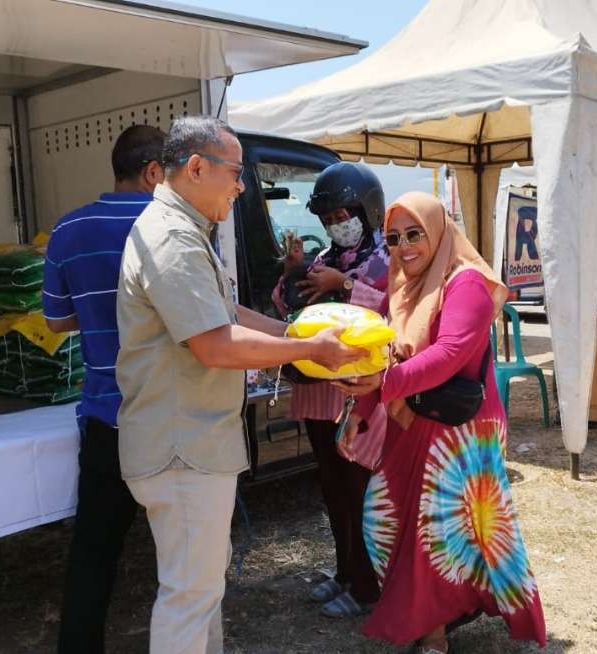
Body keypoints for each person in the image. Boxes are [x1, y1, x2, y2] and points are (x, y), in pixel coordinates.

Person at [115, 116, 365, 654]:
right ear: (197, 168)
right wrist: (309, 350)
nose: (242, 186)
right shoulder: (172, 237)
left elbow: (225, 313)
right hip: (182, 445)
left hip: (191, 442)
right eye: (235, 173)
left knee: (201, 590)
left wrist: (297, 331)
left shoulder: (181, 230)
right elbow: (215, 344)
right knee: (189, 595)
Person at [336, 192, 546, 653]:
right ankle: (448, 609)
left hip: (459, 427)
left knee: (437, 533)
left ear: (439, 231)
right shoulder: (403, 284)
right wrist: (362, 414)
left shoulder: (465, 281)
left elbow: (449, 355)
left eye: (415, 234)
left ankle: (434, 634)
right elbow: (387, 355)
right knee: (386, 519)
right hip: (412, 419)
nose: (404, 246)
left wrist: (382, 384)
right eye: (393, 238)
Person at [43, 125, 165, 654]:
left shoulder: (67, 230)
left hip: (104, 416)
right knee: (182, 556)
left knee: (94, 551)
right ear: (153, 172)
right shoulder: (170, 226)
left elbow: (55, 321)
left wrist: (100, 315)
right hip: (166, 415)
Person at [270, 162, 388, 618]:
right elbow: (286, 304)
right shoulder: (324, 261)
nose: (338, 226)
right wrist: (293, 269)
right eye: (330, 220)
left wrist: (345, 285)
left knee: (358, 489)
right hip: (317, 394)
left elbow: (390, 310)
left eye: (344, 216)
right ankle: (344, 572)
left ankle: (367, 585)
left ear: (367, 209)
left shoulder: (384, 259)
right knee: (332, 488)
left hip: (355, 395)